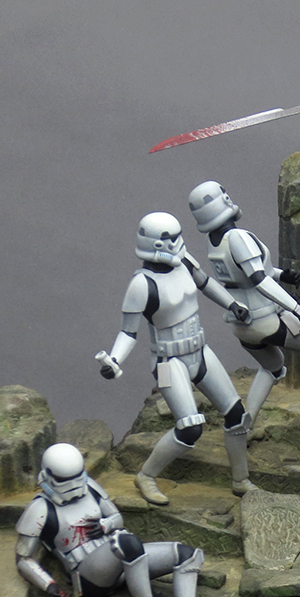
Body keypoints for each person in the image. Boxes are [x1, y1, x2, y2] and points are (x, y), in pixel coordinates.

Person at [97, 212, 253, 505]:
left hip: (199, 350)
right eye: (169, 238)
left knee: (236, 415)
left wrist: (233, 304)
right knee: (190, 427)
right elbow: (128, 332)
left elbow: (206, 284)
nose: (177, 243)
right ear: (155, 243)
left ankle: (240, 479)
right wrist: (114, 359)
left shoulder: (185, 262)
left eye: (178, 235)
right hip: (168, 362)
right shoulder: (142, 285)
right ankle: (146, 476)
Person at [187, 181, 300, 436]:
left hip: (242, 326)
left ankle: (245, 427)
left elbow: (247, 274)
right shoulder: (237, 237)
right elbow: (258, 279)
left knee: (272, 368)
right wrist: (298, 309)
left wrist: (281, 275)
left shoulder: (214, 242)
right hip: (266, 318)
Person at [15, 443, 220, 597]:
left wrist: (106, 525)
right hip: (90, 575)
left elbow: (116, 517)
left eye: (77, 477)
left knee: (187, 555)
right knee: (127, 543)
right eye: (65, 480)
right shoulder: (40, 508)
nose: (74, 485)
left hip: (123, 560)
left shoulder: (90, 488)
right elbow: (23, 558)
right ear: (48, 476)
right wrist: (49, 585)